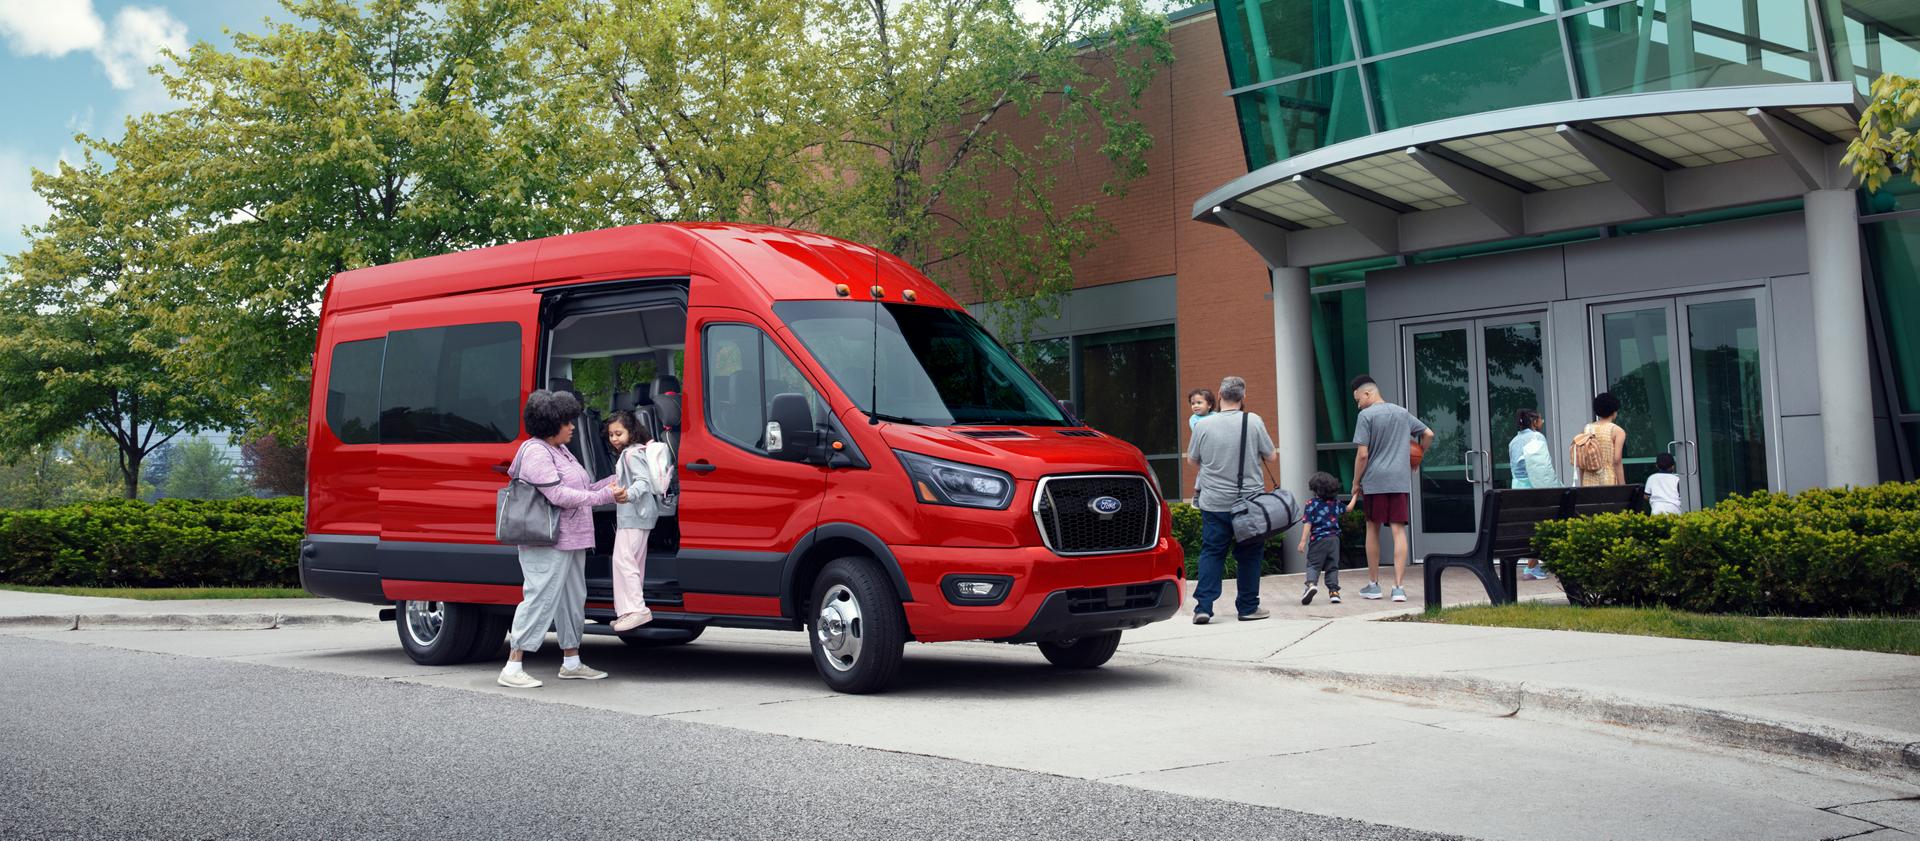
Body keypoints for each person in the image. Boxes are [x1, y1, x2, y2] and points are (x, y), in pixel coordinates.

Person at [499, 389, 627, 689]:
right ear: (549, 423)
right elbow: (557, 494)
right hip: (547, 539)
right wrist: (604, 496)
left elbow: (583, 487)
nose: (572, 427)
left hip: (571, 538)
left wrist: (612, 479)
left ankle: (571, 661)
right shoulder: (535, 452)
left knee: (572, 600)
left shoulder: (560, 449)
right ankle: (513, 665)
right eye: (567, 422)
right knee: (540, 598)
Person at [1184, 375, 1277, 624]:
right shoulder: (1253, 421)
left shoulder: (1203, 426)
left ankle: (1203, 607)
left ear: (1220, 395)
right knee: (1249, 554)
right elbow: (1271, 456)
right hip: (1249, 503)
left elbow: (1192, 460)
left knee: (1212, 552)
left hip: (1214, 502)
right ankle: (1247, 608)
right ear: (1243, 397)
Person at [1346, 375, 1433, 603]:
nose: (1358, 404)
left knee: (1372, 529)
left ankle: (1374, 586)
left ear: (1367, 393)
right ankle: (1398, 588)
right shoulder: (1402, 412)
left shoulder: (1365, 416)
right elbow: (1428, 434)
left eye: (1358, 399)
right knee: (1398, 531)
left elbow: (1362, 454)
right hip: (1399, 479)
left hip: (1375, 480)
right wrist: (1418, 458)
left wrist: (1356, 481)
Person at [606, 411, 674, 632]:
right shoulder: (633, 452)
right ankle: (627, 611)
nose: (614, 438)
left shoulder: (631, 454)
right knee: (632, 562)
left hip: (634, 514)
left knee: (623, 561)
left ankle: (637, 609)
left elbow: (642, 482)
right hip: (639, 515)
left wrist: (628, 495)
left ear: (631, 432)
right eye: (611, 435)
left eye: (619, 433)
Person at [1509, 408, 1559, 580]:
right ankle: (1531, 567)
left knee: (1529, 526)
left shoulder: (1514, 441)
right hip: (1533, 486)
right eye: (1541, 419)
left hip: (1518, 486)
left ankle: (1533, 565)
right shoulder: (1537, 437)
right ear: (1534, 421)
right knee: (1539, 526)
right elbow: (1541, 468)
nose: (1543, 422)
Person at [1296, 471, 1343, 605]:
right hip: (1334, 540)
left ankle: (1311, 585)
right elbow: (1349, 508)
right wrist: (1356, 494)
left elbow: (1308, 523)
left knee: (1313, 565)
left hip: (1318, 540)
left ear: (1315, 489)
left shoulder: (1311, 503)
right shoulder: (1335, 503)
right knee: (1332, 567)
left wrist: (1303, 541)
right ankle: (1334, 592)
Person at [1572, 392, 1627, 487]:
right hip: (1608, 478)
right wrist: (1622, 485)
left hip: (1588, 479)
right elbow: (1617, 460)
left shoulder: (1587, 428)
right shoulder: (1618, 431)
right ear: (1614, 411)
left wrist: (1582, 484)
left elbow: (1581, 460)